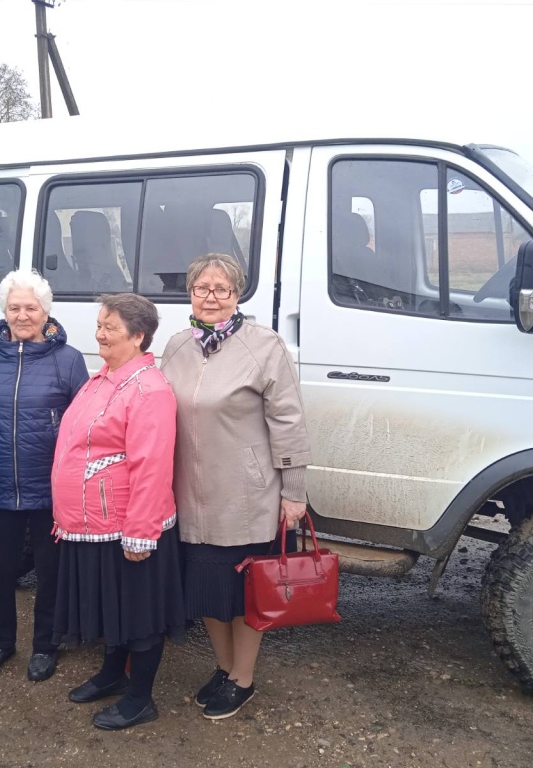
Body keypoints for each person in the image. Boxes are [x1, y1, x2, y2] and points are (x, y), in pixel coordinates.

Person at [160, 253, 312, 720]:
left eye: (221, 289)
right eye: (201, 287)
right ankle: (224, 669)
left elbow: (289, 420)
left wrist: (293, 492)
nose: (210, 296)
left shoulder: (264, 347)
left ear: (238, 294)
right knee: (207, 592)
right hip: (190, 495)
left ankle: (243, 678)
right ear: (190, 293)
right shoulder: (177, 345)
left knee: (247, 597)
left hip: (247, 496)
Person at [51, 293, 185, 731]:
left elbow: (152, 465)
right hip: (94, 522)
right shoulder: (102, 379)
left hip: (129, 525)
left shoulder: (149, 389)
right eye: (100, 325)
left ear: (139, 335)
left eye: (110, 327)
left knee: (139, 613)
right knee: (114, 609)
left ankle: (140, 698)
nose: (99, 334)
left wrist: (141, 531)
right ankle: (112, 675)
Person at [0, 270, 88, 682]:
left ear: (45, 312)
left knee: (50, 571)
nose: (22, 315)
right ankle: (0, 641)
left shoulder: (69, 359)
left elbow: (83, 424)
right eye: (15, 307)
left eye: (31, 307)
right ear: (5, 311)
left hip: (51, 488)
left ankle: (45, 645)